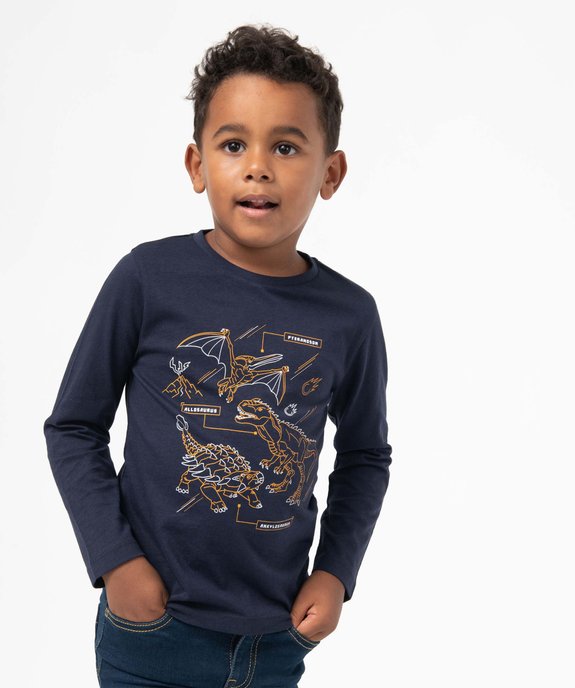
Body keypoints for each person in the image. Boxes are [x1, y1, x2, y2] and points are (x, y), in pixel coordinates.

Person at [44, 24, 393, 688]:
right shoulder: (147, 278)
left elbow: (365, 456)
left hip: (276, 635)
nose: (258, 166)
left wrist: (335, 573)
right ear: (197, 164)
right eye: (233, 144)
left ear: (330, 172)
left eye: (285, 146)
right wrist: (116, 562)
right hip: (151, 629)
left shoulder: (349, 315)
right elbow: (72, 427)